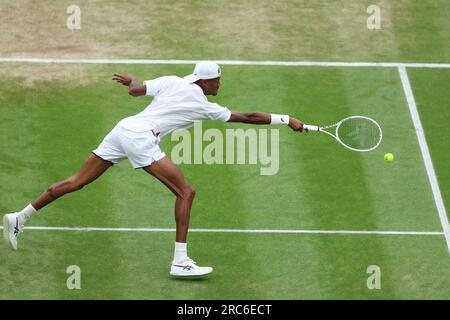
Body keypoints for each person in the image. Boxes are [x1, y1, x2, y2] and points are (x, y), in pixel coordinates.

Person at [3, 61, 306, 277]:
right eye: (216, 81)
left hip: (123, 129)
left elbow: (136, 92)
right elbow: (248, 116)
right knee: (186, 191)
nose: (219, 85)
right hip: (140, 137)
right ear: (204, 82)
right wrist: (286, 118)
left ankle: (20, 216)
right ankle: (180, 261)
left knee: (77, 181)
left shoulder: (173, 80)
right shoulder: (202, 104)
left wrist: (132, 81)